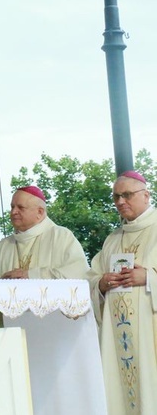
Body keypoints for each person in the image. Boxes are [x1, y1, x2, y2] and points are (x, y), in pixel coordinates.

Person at [87, 170, 157, 413]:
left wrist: (149, 277)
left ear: (146, 195)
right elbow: (91, 278)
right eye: (116, 197)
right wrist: (102, 283)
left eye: (126, 195)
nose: (120, 202)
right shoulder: (112, 239)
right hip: (118, 338)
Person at [0, 185, 88, 279]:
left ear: (40, 212)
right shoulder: (4, 246)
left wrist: (31, 275)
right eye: (12, 207)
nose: (14, 212)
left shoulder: (61, 237)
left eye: (20, 207)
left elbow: (79, 275)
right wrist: (1, 281)